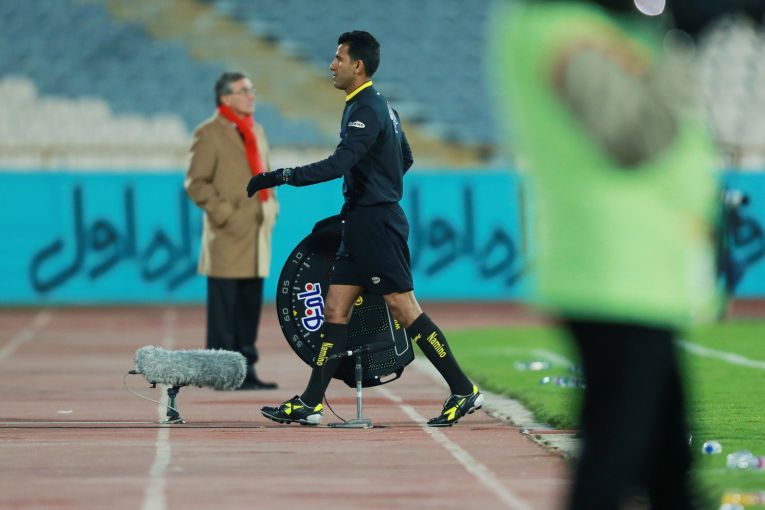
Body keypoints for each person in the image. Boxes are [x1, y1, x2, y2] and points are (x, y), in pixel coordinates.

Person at [491, 1, 721, 508]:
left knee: (666, 462)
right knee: (617, 456)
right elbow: (634, 135)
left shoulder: (583, 24)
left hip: (633, 268)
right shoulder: (563, 30)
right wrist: (681, 40)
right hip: (614, 268)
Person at [247, 30, 483, 427]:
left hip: (376, 224)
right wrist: (379, 184)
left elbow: (340, 163)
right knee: (335, 309)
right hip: (360, 221)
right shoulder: (380, 106)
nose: (331, 65)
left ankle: (463, 390)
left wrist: (281, 176)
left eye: (338, 58)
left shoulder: (367, 109)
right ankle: (311, 402)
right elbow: (405, 157)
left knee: (404, 309)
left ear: (357, 66)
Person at [185, 72, 279, 390]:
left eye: (251, 90)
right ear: (225, 97)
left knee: (249, 309)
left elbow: (266, 175)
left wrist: (271, 207)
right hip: (227, 235)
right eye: (243, 91)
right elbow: (196, 183)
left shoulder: (256, 130)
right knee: (225, 311)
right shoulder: (209, 133)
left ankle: (246, 372)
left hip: (257, 234)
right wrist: (227, 214)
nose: (251, 96)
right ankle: (221, 375)